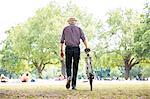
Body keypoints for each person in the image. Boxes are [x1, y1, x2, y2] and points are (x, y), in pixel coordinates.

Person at [60, 17, 88, 90]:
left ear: (69, 22)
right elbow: (83, 39)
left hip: (68, 48)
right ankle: (74, 85)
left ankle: (69, 76)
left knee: (68, 65)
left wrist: (61, 50)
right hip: (76, 49)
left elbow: (62, 41)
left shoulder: (65, 29)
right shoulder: (79, 29)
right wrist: (87, 47)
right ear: (75, 22)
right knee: (75, 66)